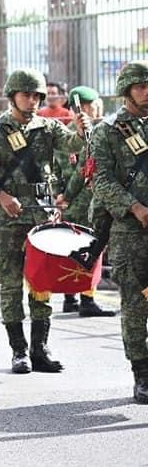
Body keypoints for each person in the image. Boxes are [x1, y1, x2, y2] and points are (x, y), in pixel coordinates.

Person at [0, 69, 88, 375]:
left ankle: (40, 348)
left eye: (36, 96)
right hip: (9, 217)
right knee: (10, 286)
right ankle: (18, 350)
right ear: (12, 97)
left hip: (42, 216)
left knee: (41, 283)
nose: (32, 100)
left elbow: (73, 146)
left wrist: (82, 129)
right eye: (26, 95)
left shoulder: (48, 127)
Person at [90, 61, 148, 404]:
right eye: (139, 86)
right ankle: (142, 374)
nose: (146, 92)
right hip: (129, 230)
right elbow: (100, 179)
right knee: (136, 302)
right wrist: (135, 207)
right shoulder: (108, 130)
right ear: (126, 91)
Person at [55, 85, 115, 317]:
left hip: (69, 203)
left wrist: (60, 197)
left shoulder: (65, 136)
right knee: (92, 249)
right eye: (96, 103)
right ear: (87, 107)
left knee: (73, 250)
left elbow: (57, 172)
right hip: (88, 200)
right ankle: (88, 299)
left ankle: (70, 298)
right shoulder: (93, 134)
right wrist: (68, 196)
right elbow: (84, 169)